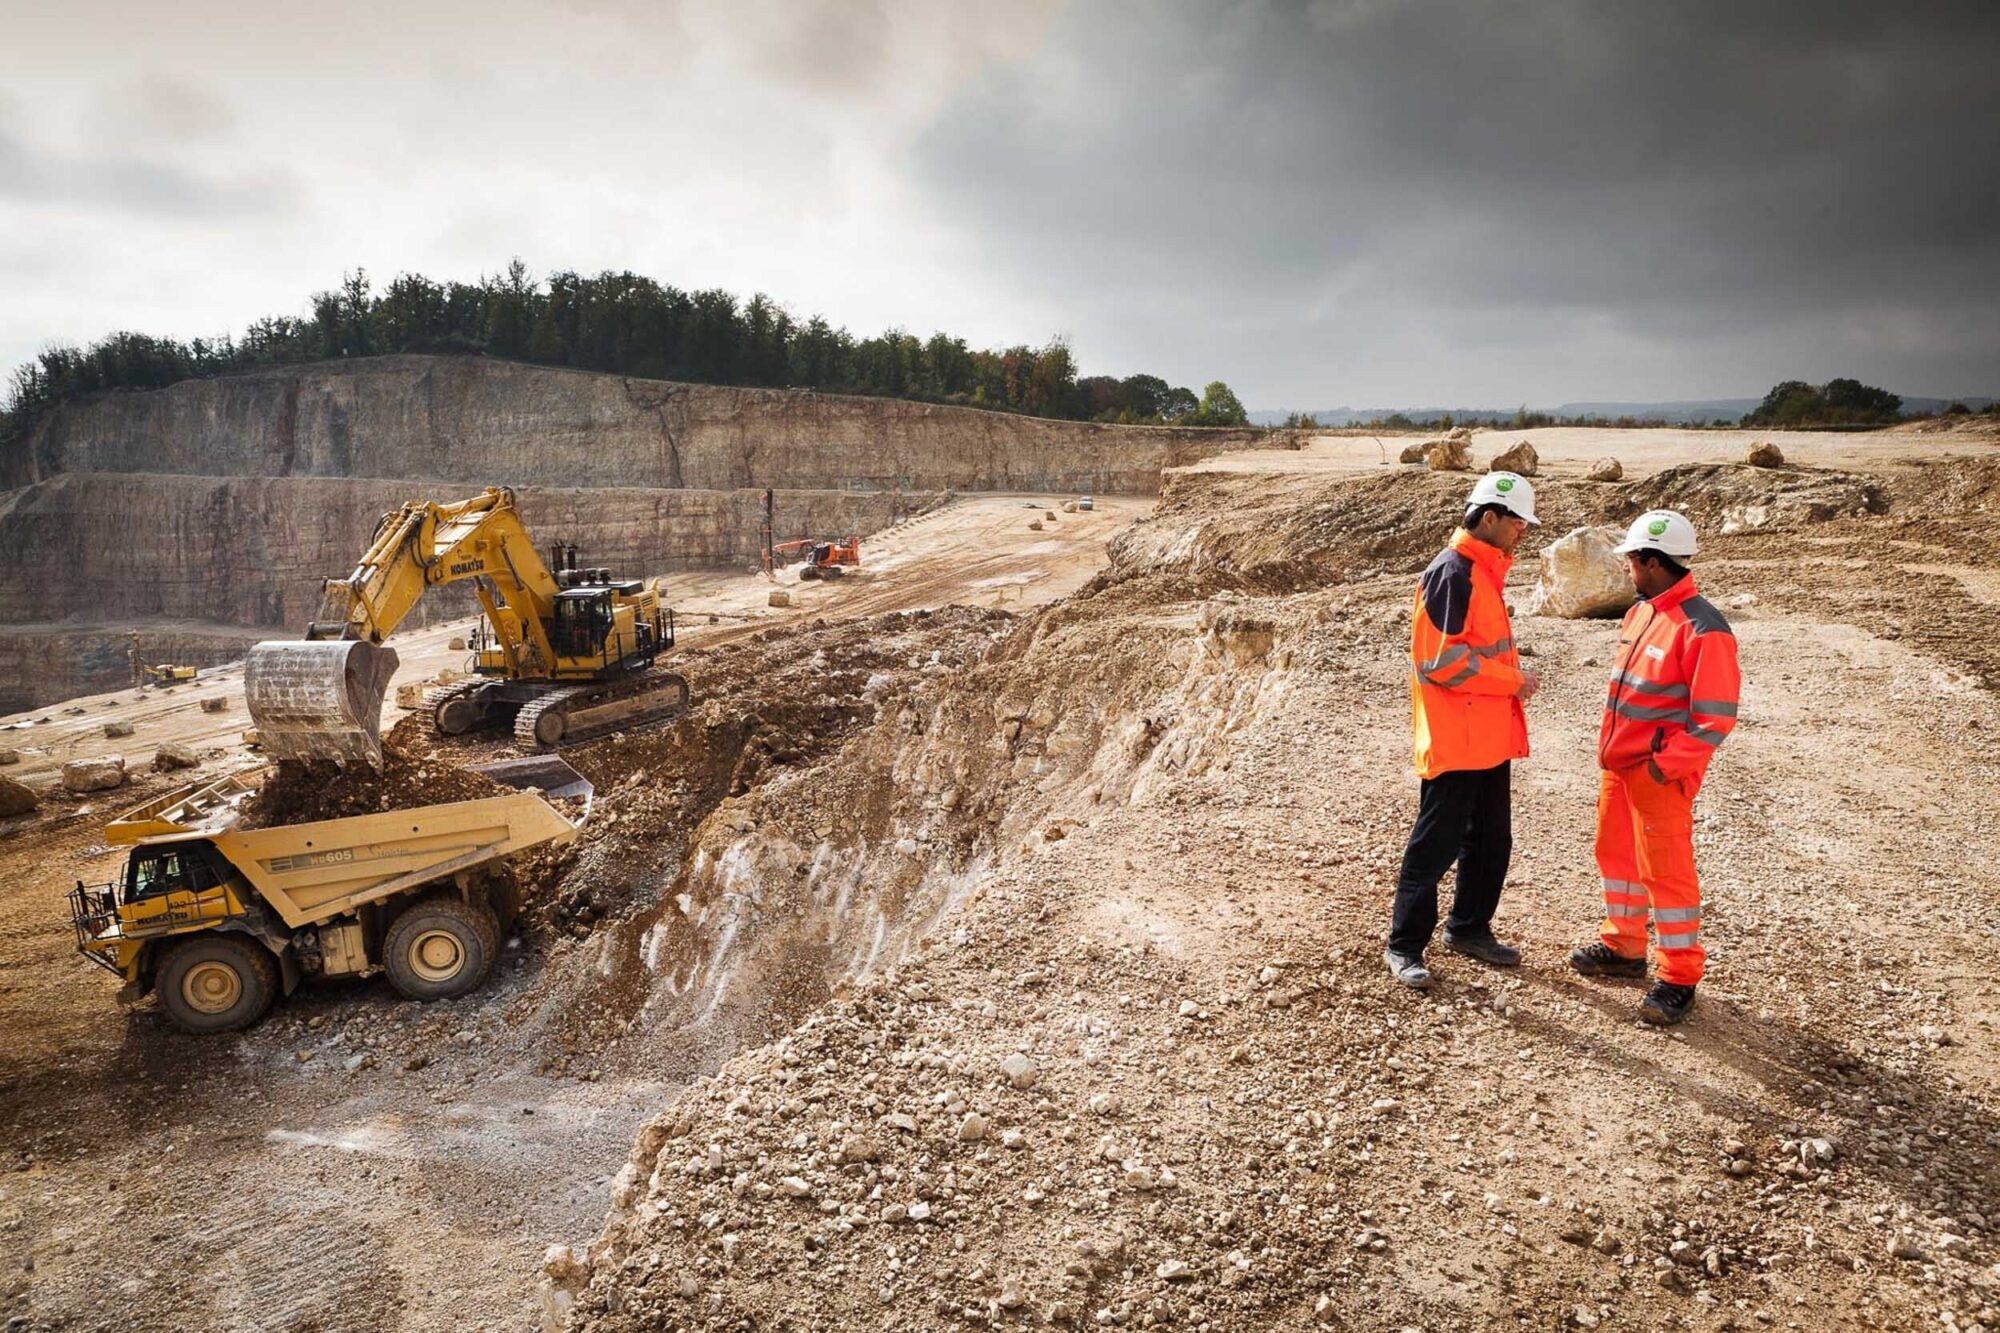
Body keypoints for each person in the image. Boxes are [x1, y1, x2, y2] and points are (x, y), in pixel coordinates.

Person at [1569, 510, 1740, 1025]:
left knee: (1666, 875)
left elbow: (1714, 720)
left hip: (1657, 775)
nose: (1626, 569)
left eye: (1631, 560)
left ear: (1652, 561)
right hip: (1619, 769)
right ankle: (1624, 948)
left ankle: (1679, 977)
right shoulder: (1640, 613)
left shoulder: (1704, 629)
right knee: (1616, 858)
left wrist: (1665, 769)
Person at [1386, 472, 1541, 989]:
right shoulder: (1453, 572)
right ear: (1490, 517)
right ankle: (1405, 945)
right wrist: (1514, 681)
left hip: (1488, 737)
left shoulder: (1484, 572)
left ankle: (1469, 927)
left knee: (1491, 840)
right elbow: (1439, 661)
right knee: (1436, 844)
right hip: (1457, 739)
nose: (1523, 531)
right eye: (1518, 520)